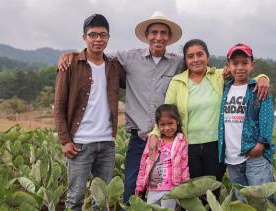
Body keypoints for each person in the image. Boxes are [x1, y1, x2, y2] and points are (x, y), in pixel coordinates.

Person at [57, 12, 269, 203]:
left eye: (163, 33)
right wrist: (72, 55)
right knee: (132, 189)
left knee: (176, 191)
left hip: (172, 141)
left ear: (169, 38)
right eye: (154, 32)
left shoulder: (182, 64)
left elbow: (236, 74)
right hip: (141, 138)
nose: (158, 37)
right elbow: (97, 53)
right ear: (146, 35)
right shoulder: (128, 58)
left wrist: (262, 77)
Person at [149, 39, 270, 200]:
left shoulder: (218, 76)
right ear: (185, 60)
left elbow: (243, 74)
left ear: (207, 56)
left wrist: (263, 77)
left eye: (200, 54)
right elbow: (166, 112)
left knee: (212, 194)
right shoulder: (177, 81)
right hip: (188, 146)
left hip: (216, 147)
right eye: (190, 56)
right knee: (193, 193)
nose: (195, 59)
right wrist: (155, 133)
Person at [54, 14, 124, 211]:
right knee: (75, 197)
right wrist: (65, 140)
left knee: (103, 200)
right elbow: (59, 105)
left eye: (103, 35)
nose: (98, 39)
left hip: (107, 143)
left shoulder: (113, 66)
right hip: (79, 143)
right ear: (84, 37)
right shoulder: (70, 65)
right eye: (93, 35)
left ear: (108, 38)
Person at [218, 43, 275, 200]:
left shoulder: (258, 89)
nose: (240, 67)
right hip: (232, 157)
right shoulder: (225, 88)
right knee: (242, 201)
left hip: (254, 155)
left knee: (261, 200)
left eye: (245, 63)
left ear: (252, 65)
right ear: (228, 66)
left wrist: (261, 144)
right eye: (235, 63)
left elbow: (267, 119)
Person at [135, 104, 189, 210]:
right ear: (158, 125)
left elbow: (184, 165)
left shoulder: (181, 141)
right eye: (162, 125)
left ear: (177, 122)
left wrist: (184, 186)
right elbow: (143, 164)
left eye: (170, 123)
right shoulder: (153, 141)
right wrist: (139, 186)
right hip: (153, 188)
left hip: (171, 189)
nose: (167, 128)